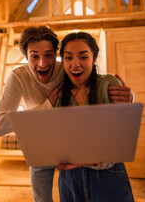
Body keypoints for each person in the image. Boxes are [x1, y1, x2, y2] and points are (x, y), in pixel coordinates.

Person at [0, 26, 132, 202]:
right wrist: (47, 105)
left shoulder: (66, 69)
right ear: (25, 56)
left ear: (56, 54)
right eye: (34, 56)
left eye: (48, 55)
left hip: (70, 149)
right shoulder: (18, 77)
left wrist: (127, 95)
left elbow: (96, 78)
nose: (42, 63)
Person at [55, 32, 134, 202]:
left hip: (108, 174)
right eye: (68, 58)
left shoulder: (108, 83)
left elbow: (121, 132)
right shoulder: (59, 94)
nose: (75, 64)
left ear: (94, 58)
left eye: (83, 57)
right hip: (69, 178)